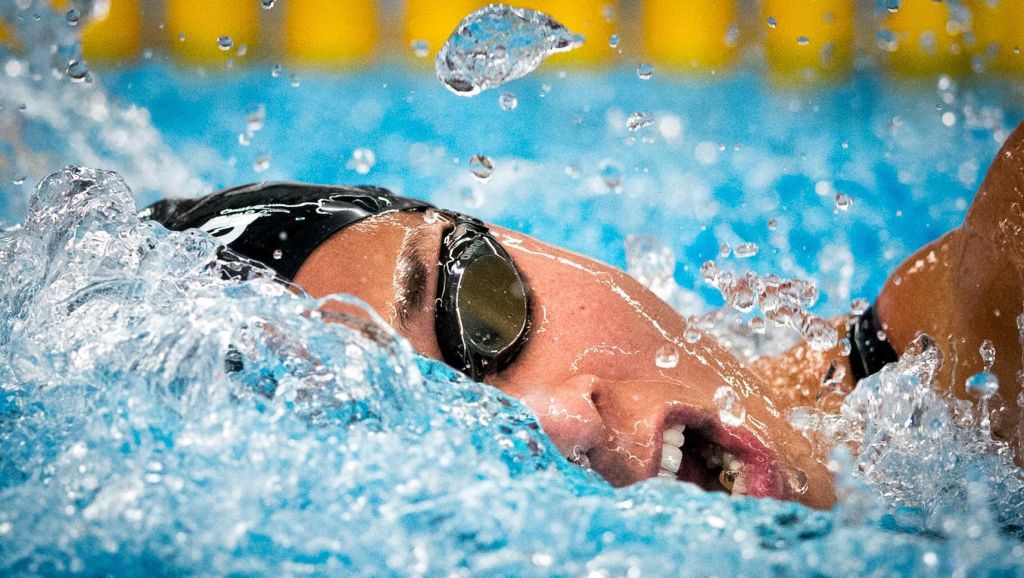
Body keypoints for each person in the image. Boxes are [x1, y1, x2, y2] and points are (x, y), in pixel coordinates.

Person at [142, 121, 1024, 511]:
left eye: (478, 308)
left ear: (538, 242)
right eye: (430, 443)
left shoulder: (984, 333)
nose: (561, 424)